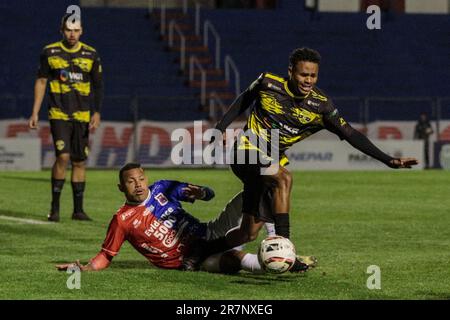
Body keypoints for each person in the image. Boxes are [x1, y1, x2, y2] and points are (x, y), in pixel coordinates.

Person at [184, 47, 419, 270]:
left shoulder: (321, 106)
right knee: (283, 177)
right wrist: (220, 128)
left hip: (270, 162)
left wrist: (388, 160)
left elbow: (351, 134)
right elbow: (244, 99)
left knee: (248, 233)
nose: (308, 80)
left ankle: (199, 251)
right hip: (246, 150)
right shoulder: (268, 83)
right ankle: (287, 248)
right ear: (291, 71)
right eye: (303, 74)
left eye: (313, 75)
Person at [55, 163, 315, 274]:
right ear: (121, 187)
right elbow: (105, 256)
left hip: (209, 232)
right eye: (130, 181)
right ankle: (282, 263)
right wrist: (84, 268)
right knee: (233, 260)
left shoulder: (163, 187)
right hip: (190, 260)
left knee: (260, 188)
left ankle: (278, 244)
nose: (138, 184)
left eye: (141, 178)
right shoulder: (122, 220)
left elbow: (209, 194)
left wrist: (201, 192)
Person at [28, 13, 104, 222]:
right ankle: (55, 208)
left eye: (76, 30)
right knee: (63, 156)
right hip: (58, 112)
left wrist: (96, 112)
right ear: (62, 30)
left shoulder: (91, 54)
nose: (72, 34)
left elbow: (98, 86)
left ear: (82, 30)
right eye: (69, 30)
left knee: (79, 161)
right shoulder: (50, 52)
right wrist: (35, 111)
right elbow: (41, 81)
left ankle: (78, 210)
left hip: (82, 115)